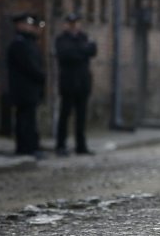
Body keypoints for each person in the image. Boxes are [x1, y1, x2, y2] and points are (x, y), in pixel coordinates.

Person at [54, 13, 98, 156]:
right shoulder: (61, 39)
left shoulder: (84, 37)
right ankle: (61, 145)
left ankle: (81, 145)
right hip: (68, 83)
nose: (73, 26)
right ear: (66, 25)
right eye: (71, 23)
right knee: (65, 114)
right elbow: (66, 54)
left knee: (81, 116)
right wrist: (82, 51)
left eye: (76, 23)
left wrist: (79, 51)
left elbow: (93, 51)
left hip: (83, 82)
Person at [6, 12, 46, 159]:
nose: (30, 27)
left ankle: (30, 146)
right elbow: (29, 66)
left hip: (30, 89)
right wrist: (41, 76)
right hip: (23, 89)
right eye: (27, 24)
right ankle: (25, 147)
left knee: (29, 119)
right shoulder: (19, 44)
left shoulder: (29, 43)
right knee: (24, 120)